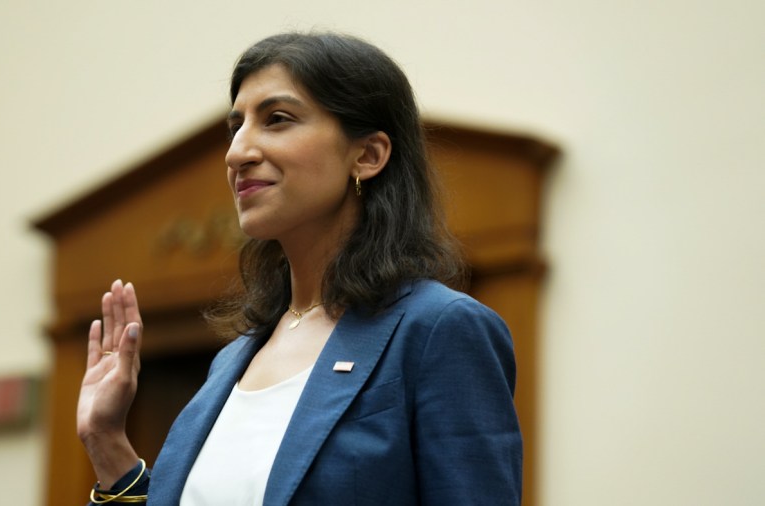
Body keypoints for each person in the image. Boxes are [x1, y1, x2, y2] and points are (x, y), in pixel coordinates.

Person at [77, 32, 522, 505]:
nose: (236, 153)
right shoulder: (234, 359)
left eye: (277, 119)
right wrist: (107, 444)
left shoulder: (440, 330)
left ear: (368, 155)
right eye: (236, 127)